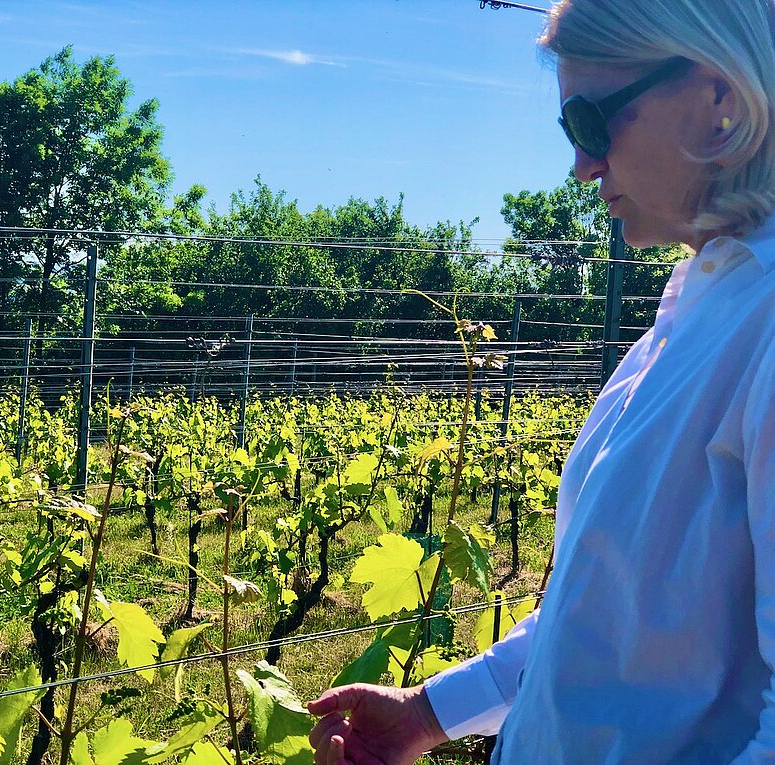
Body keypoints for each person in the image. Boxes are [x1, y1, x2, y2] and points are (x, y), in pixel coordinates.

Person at [308, 0, 775, 762]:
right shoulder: (695, 307)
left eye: (591, 123)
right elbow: (596, 622)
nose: (581, 164)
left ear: (719, 98)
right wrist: (428, 713)